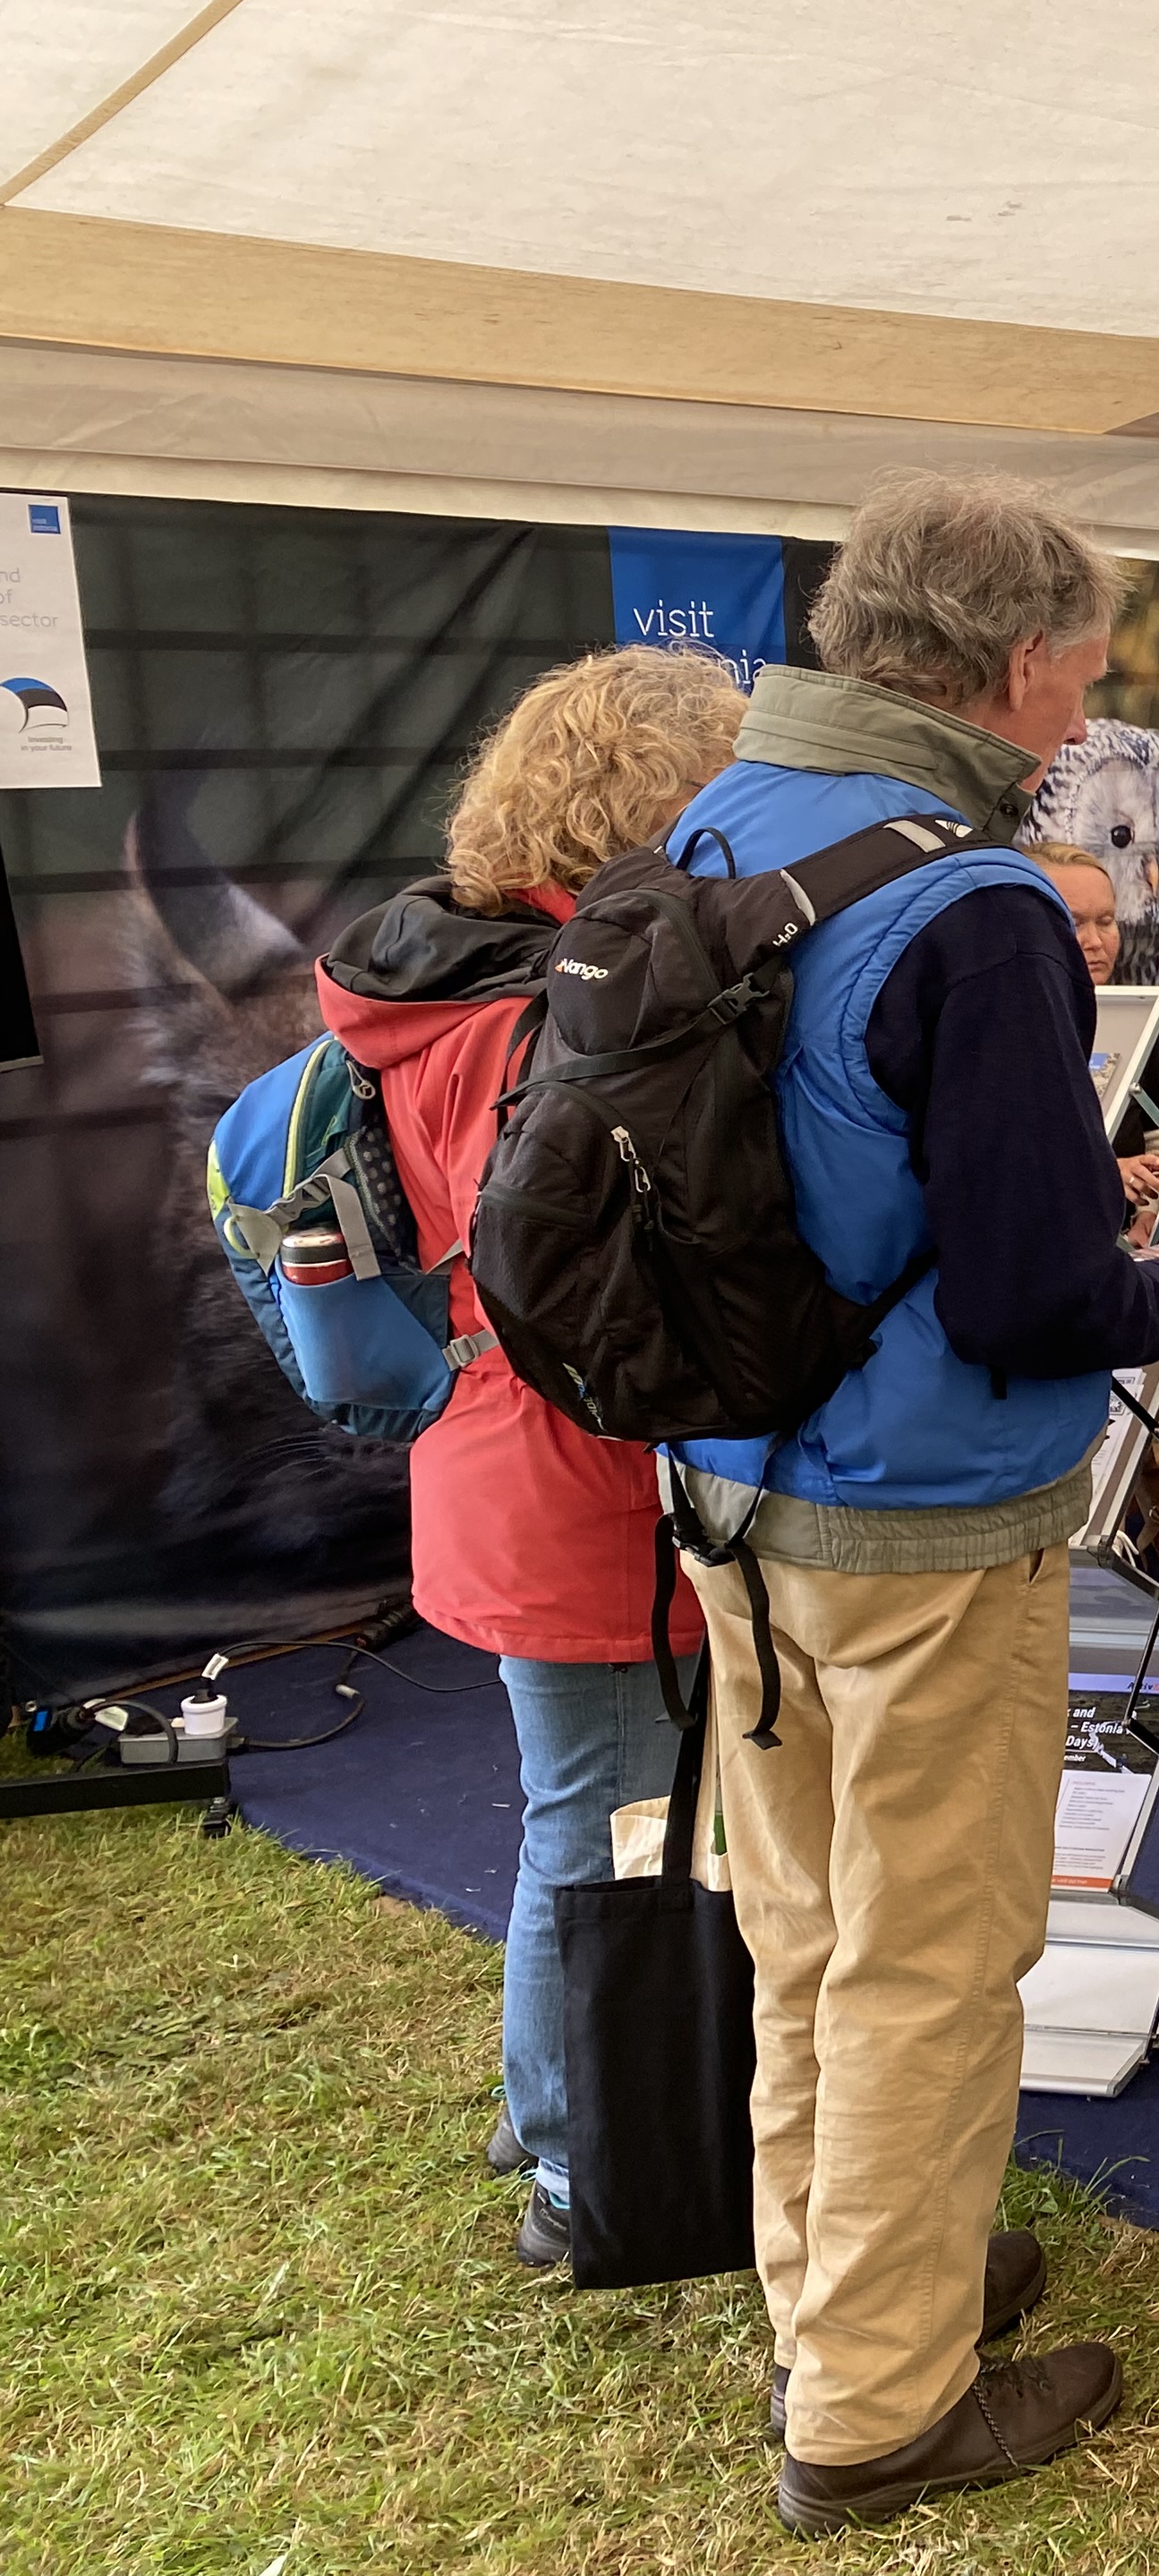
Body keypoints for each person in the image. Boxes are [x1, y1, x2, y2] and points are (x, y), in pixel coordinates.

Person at [657, 472, 1159, 2536]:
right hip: (920, 1524)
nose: (1091, 696)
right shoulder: (977, 901)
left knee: (817, 1931)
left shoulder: (721, 823)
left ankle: (843, 2298)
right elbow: (1028, 1299)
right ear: (1018, 667)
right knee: (927, 1955)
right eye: (1085, 664)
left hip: (735, 1496)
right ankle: (880, 2407)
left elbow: (849, 1179)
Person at [312, 646, 746, 2270]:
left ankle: (543, 2094)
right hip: (581, 1466)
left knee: (580, 1803)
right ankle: (578, 2162)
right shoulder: (565, 1007)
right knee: (605, 1820)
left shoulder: (431, 985)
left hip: (486, 1441)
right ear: (657, 810)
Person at [1029, 839, 1159, 1221]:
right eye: (1073, 923)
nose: (1094, 942)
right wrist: (1109, 1176)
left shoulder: (1136, 1016)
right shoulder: (1002, 1032)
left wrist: (1151, 1216)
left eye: (1106, 922)